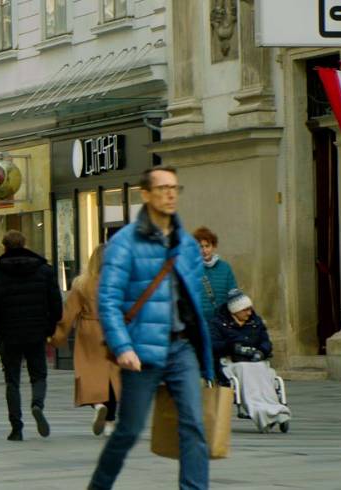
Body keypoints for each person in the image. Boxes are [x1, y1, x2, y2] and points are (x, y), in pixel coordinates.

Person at [90, 167, 216, 490]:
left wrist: (204, 349)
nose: (170, 194)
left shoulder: (186, 245)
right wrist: (123, 347)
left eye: (175, 188)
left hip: (181, 348)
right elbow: (108, 301)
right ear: (145, 195)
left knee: (194, 424)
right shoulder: (124, 244)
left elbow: (192, 301)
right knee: (129, 431)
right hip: (141, 351)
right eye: (162, 189)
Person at [0, 230, 63, 441]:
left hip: (8, 333)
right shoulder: (44, 270)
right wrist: (50, 327)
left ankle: (16, 428)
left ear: (4, 246)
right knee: (39, 374)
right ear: (25, 243)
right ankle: (37, 404)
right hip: (36, 331)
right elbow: (56, 304)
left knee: (12, 381)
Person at [51, 244, 121, 436]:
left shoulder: (82, 284)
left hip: (89, 331)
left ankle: (97, 404)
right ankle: (110, 422)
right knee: (113, 375)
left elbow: (69, 313)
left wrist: (57, 337)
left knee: (88, 373)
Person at [210, 289, 289, 433]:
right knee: (245, 371)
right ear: (235, 310)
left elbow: (266, 342)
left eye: (250, 309)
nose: (249, 312)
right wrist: (231, 346)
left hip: (255, 361)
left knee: (265, 371)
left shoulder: (255, 322)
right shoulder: (218, 323)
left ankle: (274, 408)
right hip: (231, 363)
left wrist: (262, 351)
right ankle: (259, 410)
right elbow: (213, 345)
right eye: (245, 310)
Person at [194, 227, 238, 324]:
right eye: (200, 247)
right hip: (198, 324)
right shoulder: (191, 269)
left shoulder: (225, 268)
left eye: (207, 246)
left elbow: (233, 293)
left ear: (214, 247)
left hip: (221, 322)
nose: (204, 250)